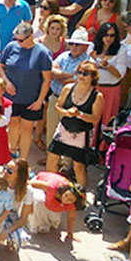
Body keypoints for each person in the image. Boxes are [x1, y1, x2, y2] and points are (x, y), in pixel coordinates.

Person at [0, 21, 53, 161]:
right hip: (11, 97)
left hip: (31, 99)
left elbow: (47, 79)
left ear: (31, 36)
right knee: (13, 125)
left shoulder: (42, 53)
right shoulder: (11, 47)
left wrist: (40, 101)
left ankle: (22, 160)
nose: (18, 43)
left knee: (27, 129)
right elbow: (1, 67)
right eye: (16, 39)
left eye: (21, 40)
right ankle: (11, 154)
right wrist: (7, 82)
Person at [46, 60, 103, 189]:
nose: (81, 76)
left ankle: (80, 195)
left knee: (79, 165)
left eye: (86, 73)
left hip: (82, 133)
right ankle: (50, 186)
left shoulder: (97, 96)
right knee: (53, 157)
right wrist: (67, 113)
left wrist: (80, 114)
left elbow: (95, 118)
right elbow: (58, 106)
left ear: (93, 77)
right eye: (80, 72)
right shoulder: (68, 88)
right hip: (64, 129)